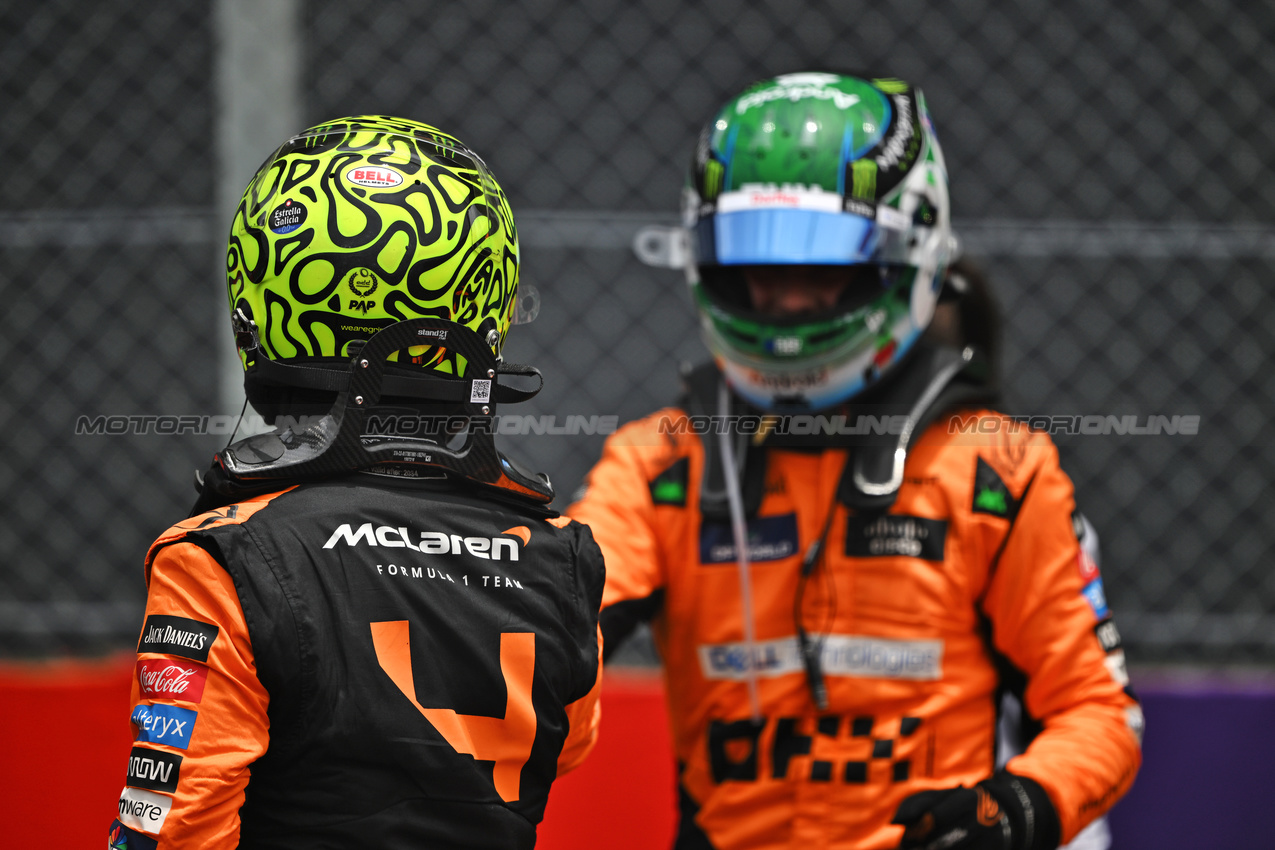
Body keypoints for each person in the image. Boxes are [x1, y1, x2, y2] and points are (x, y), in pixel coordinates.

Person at [568, 73, 1142, 850]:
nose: (786, 303)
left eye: (819, 265)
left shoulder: (995, 468)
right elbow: (554, 621)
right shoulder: (660, 460)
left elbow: (1097, 712)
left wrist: (1015, 811)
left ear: (908, 258)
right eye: (756, 267)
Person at [109, 116, 605, 850]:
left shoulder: (220, 563)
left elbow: (175, 831)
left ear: (260, 306)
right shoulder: (559, 558)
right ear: (482, 311)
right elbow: (570, 746)